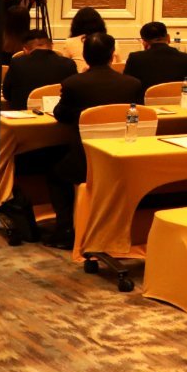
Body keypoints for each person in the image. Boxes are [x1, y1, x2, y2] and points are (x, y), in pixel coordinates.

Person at [43, 33, 143, 249]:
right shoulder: (132, 84)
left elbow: (61, 114)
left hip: (85, 161)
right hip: (124, 156)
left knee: (55, 173)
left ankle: (65, 228)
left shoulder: (74, 84)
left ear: (85, 56)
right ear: (112, 55)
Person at [2, 29, 77, 110]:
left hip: (24, 116)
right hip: (57, 116)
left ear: (25, 49)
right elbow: (74, 94)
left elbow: (6, 94)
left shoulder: (17, 63)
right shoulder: (69, 64)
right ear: (51, 46)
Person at [123, 21, 187, 89]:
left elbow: (128, 87)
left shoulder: (135, 59)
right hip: (181, 101)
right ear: (168, 38)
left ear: (145, 42)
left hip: (146, 101)